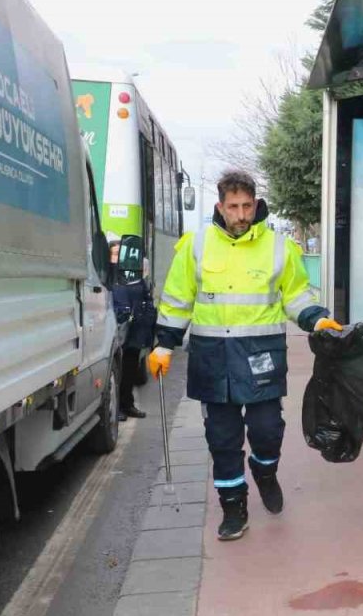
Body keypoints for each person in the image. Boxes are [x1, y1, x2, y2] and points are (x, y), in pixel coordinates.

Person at [147, 171, 342, 541]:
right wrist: (163, 344)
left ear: (256, 205)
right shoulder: (196, 246)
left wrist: (317, 319)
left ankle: (265, 471)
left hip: (260, 356)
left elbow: (296, 295)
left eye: (247, 206)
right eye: (233, 206)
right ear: (220, 206)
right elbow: (177, 299)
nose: (240, 214)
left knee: (268, 431)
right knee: (222, 439)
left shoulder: (279, 247)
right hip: (212, 357)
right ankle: (233, 508)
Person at [109, 240, 151, 420]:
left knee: (130, 371)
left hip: (133, 331)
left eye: (121, 253)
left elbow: (145, 297)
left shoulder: (133, 275)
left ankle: (127, 405)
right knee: (116, 373)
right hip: (116, 329)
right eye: (115, 253)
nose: (118, 257)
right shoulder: (107, 275)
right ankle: (116, 408)